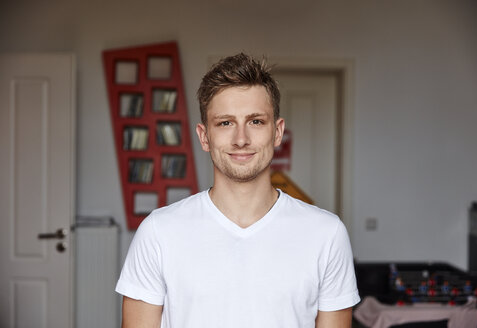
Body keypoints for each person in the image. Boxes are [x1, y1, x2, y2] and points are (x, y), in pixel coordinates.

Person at [116, 53, 360, 328]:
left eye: (255, 121)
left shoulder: (326, 234)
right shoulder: (158, 233)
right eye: (225, 123)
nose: (241, 139)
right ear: (204, 136)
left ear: (277, 132)